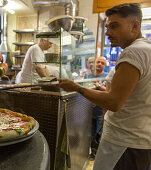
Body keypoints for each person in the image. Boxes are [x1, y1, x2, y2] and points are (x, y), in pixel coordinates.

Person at [59, 3, 151, 170]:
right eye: (107, 27)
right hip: (139, 142)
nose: (108, 32)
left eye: (114, 26)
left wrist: (77, 87)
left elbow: (114, 102)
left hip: (124, 143)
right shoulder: (146, 49)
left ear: (135, 26)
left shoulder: (133, 52)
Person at [85, 56, 108, 160]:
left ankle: (97, 155)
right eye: (98, 62)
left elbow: (109, 91)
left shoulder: (106, 77)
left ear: (105, 65)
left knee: (99, 134)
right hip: (88, 110)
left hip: (100, 111)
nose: (99, 64)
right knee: (89, 133)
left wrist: (99, 86)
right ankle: (91, 153)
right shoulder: (87, 75)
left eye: (102, 63)